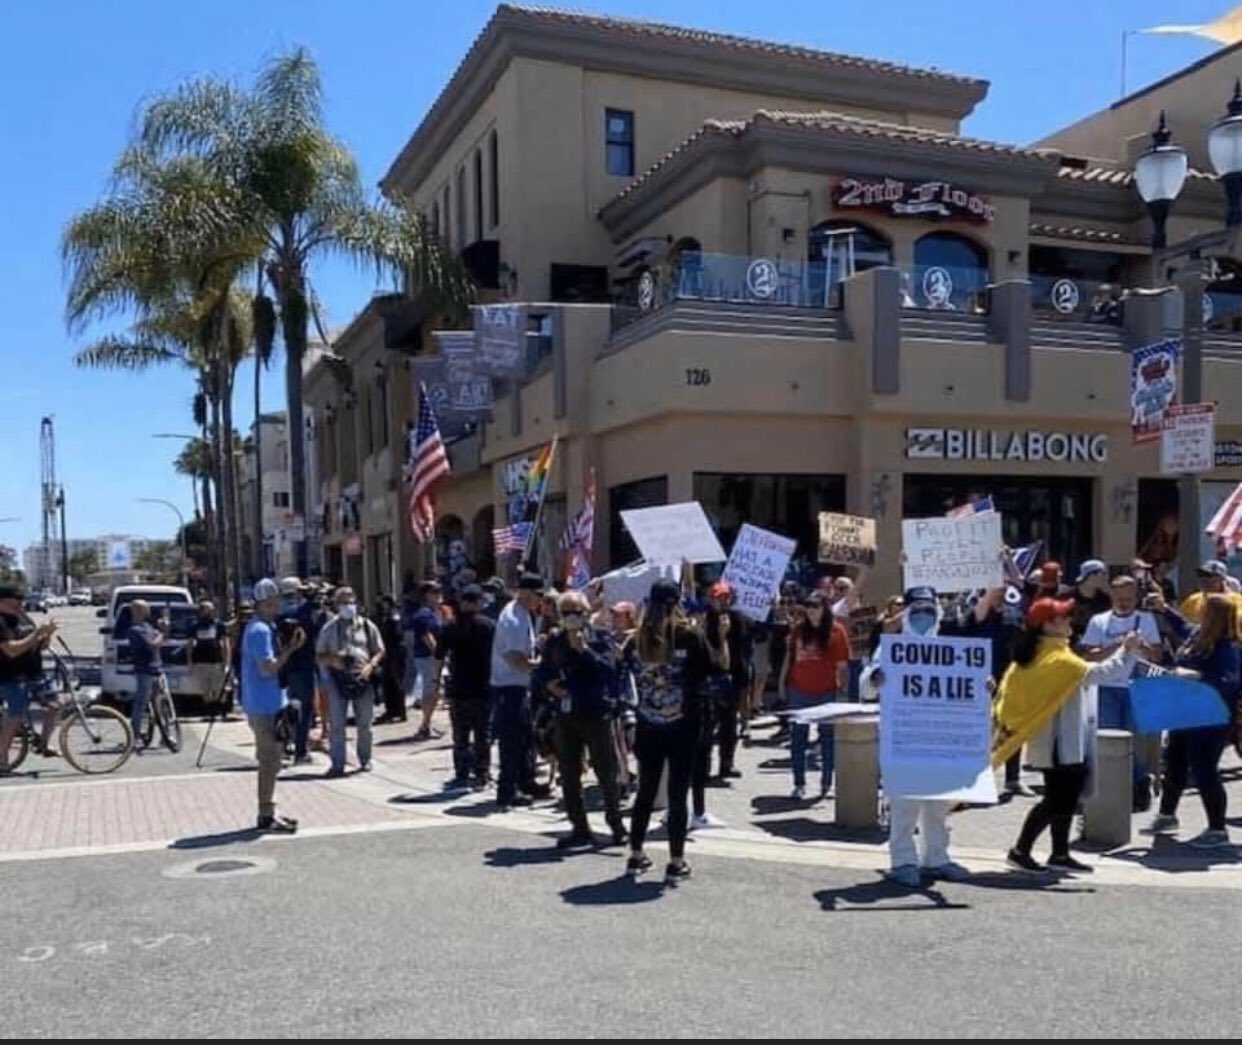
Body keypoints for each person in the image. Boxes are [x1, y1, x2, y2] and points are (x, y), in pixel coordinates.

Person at [999, 597, 1144, 873]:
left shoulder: (1039, 654)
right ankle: (1021, 850)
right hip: (1057, 741)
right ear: (1047, 626)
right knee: (1058, 799)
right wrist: (1127, 650)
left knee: (1064, 797)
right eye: (1062, 617)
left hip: (1060, 739)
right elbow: (1103, 673)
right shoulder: (1057, 659)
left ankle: (1059, 853)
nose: (1069, 621)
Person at [864, 586, 971, 886]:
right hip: (903, 737)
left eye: (929, 610)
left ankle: (936, 858)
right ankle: (903, 861)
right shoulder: (892, 648)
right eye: (918, 610)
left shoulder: (951, 649)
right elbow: (867, 683)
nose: (924, 616)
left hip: (938, 738)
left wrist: (982, 687)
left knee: (938, 803)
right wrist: (876, 678)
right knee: (905, 803)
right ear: (906, 614)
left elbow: (965, 690)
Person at [622, 578, 713, 883]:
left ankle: (635, 854)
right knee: (677, 792)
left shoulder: (635, 639)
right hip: (683, 722)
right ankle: (676, 860)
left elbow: (623, 671)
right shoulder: (689, 635)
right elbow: (710, 671)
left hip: (648, 721)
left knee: (646, 790)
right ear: (677, 603)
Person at [533, 590, 628, 848]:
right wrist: (550, 686)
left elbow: (609, 671)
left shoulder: (599, 638)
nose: (572, 618)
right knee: (569, 771)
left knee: (606, 771)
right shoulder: (555, 641)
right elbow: (542, 673)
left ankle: (616, 824)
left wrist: (584, 650)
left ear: (586, 614)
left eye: (576, 612)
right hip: (566, 715)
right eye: (566, 613)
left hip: (595, 712)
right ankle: (579, 827)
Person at [1147, 592, 1240, 847]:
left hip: (1212, 717)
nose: (1200, 611)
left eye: (1206, 609)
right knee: (1174, 762)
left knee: (1204, 769)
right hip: (1185, 711)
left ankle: (1217, 829)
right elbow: (1182, 625)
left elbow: (1227, 682)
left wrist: (1194, 677)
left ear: (1216, 616)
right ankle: (1167, 815)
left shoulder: (1227, 647)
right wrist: (1163, 609)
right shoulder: (1197, 635)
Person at [1080, 575, 1163, 810]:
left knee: (1133, 739)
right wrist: (1119, 645)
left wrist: (1142, 646)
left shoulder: (1146, 620)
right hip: (1106, 687)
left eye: (1129, 597)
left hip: (1136, 687)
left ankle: (1139, 784)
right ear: (1112, 596)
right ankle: (1113, 787)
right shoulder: (1099, 621)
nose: (1125, 602)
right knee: (1108, 739)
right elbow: (1089, 655)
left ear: (1136, 596)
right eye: (1120, 597)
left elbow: (1157, 656)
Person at [241, 578, 304, 833]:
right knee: (269, 761)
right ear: (262, 604)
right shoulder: (260, 631)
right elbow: (267, 668)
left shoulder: (264, 627)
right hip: (263, 706)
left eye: (276, 602)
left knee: (274, 760)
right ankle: (265, 814)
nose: (276, 607)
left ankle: (269, 809)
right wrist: (291, 649)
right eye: (272, 603)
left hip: (269, 703)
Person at [780, 590, 849, 801]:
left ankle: (826, 782)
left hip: (826, 691)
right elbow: (789, 657)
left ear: (825, 608)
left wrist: (843, 692)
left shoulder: (837, 631)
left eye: (815, 606)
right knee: (798, 738)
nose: (811, 611)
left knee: (828, 739)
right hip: (799, 689)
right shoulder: (799, 630)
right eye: (808, 606)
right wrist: (783, 681)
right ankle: (799, 783)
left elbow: (842, 666)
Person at [315, 586, 385, 778]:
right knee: (337, 724)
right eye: (344, 602)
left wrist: (370, 665)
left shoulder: (367, 626)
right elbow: (319, 656)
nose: (348, 605)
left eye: (351, 601)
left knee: (365, 723)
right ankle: (337, 764)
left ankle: (365, 759)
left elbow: (379, 649)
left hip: (363, 678)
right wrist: (335, 659)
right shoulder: (329, 629)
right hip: (338, 680)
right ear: (337, 605)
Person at [490, 573, 543, 811]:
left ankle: (524, 783)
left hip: (519, 686)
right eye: (538, 595)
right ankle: (507, 791)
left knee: (524, 739)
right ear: (526, 592)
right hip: (509, 687)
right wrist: (540, 664)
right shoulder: (513, 618)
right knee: (511, 742)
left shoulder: (522, 614)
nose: (540, 600)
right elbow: (514, 658)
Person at [436, 585, 496, 789]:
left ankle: (461, 772)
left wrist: (437, 683)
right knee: (482, 733)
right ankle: (482, 773)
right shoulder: (488, 626)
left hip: (458, 687)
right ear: (478, 603)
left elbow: (439, 656)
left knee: (460, 733)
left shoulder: (450, 626)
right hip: (483, 686)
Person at [0, 584, 57, 775]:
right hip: (10, 676)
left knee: (56, 705)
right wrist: (36, 634)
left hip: (34, 673)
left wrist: (47, 634)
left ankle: (43, 744)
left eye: (21, 601)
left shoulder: (23, 617)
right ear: (3, 602)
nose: (20, 605)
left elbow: (39, 646)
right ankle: (2, 758)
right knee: (15, 716)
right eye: (16, 601)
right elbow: (11, 650)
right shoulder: (1, 622)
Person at [704, 580, 750, 782]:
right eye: (718, 598)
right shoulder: (705, 620)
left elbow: (741, 650)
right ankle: (703, 768)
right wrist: (721, 634)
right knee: (707, 727)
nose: (722, 602)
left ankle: (726, 764)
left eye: (725, 597)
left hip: (731, 679)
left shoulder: (737, 619)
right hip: (711, 678)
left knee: (729, 726)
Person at [277, 578, 321, 764]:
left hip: (287, 666)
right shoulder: (302, 611)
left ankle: (287, 743)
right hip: (303, 665)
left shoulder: (280, 612)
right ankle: (300, 750)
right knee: (305, 707)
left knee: (293, 706)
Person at [126, 599, 166, 746]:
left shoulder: (147, 626)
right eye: (146, 609)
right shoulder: (135, 630)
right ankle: (134, 736)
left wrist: (162, 630)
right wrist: (161, 634)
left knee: (159, 703)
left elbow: (159, 640)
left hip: (157, 668)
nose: (148, 611)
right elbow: (152, 645)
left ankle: (164, 735)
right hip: (144, 670)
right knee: (141, 703)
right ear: (139, 611)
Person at [410, 581, 445, 741]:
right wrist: (439, 654)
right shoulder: (423, 615)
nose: (439, 596)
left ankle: (427, 723)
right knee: (430, 691)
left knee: (434, 691)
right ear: (426, 596)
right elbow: (427, 637)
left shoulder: (434, 613)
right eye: (435, 593)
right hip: (427, 657)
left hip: (432, 657)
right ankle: (425, 725)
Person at [189, 599, 230, 715]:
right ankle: (209, 711)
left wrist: (227, 661)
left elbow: (225, 643)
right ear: (201, 612)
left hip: (217, 662)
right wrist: (190, 662)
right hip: (201, 662)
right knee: (205, 690)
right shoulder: (195, 626)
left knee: (219, 688)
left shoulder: (219, 625)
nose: (211, 613)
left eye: (212, 610)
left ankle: (220, 711)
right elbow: (190, 644)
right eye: (208, 611)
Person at [374, 594, 408, 725]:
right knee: (388, 683)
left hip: (395, 653)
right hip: (388, 653)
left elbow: (396, 635)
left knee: (397, 682)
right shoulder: (386, 617)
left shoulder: (394, 616)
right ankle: (391, 710)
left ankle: (400, 711)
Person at [1179, 560, 1242, 625]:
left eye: (1208, 575)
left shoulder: (1237, 600)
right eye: (1200, 575)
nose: (1203, 579)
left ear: (1221, 578)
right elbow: (1180, 624)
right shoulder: (1193, 600)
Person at [1069, 559, 1112, 643]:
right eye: (1102, 574)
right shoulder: (1067, 597)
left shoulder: (1106, 600)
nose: (1105, 578)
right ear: (1089, 575)